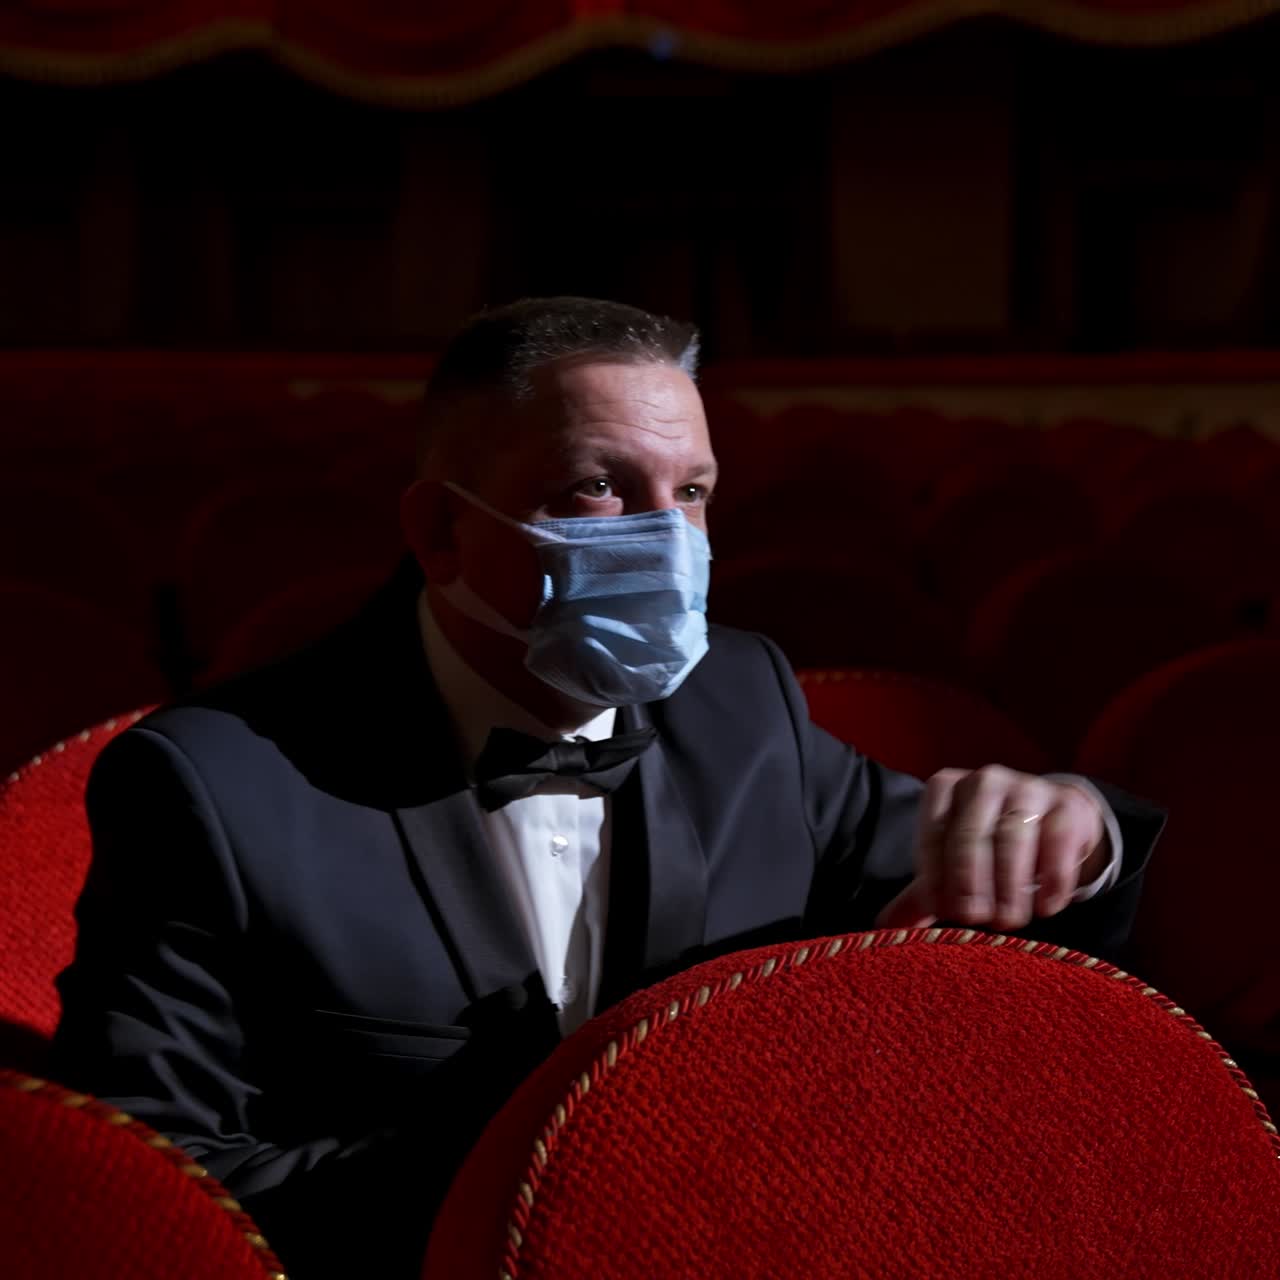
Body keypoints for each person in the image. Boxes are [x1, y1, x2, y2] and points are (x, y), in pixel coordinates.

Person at [50, 297, 1165, 1278]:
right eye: (598, 486)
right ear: (442, 528)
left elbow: (973, 893)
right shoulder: (219, 784)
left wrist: (1069, 831)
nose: (666, 539)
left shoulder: (741, 703)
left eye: (692, 491)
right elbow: (159, 1184)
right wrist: (578, 1174)